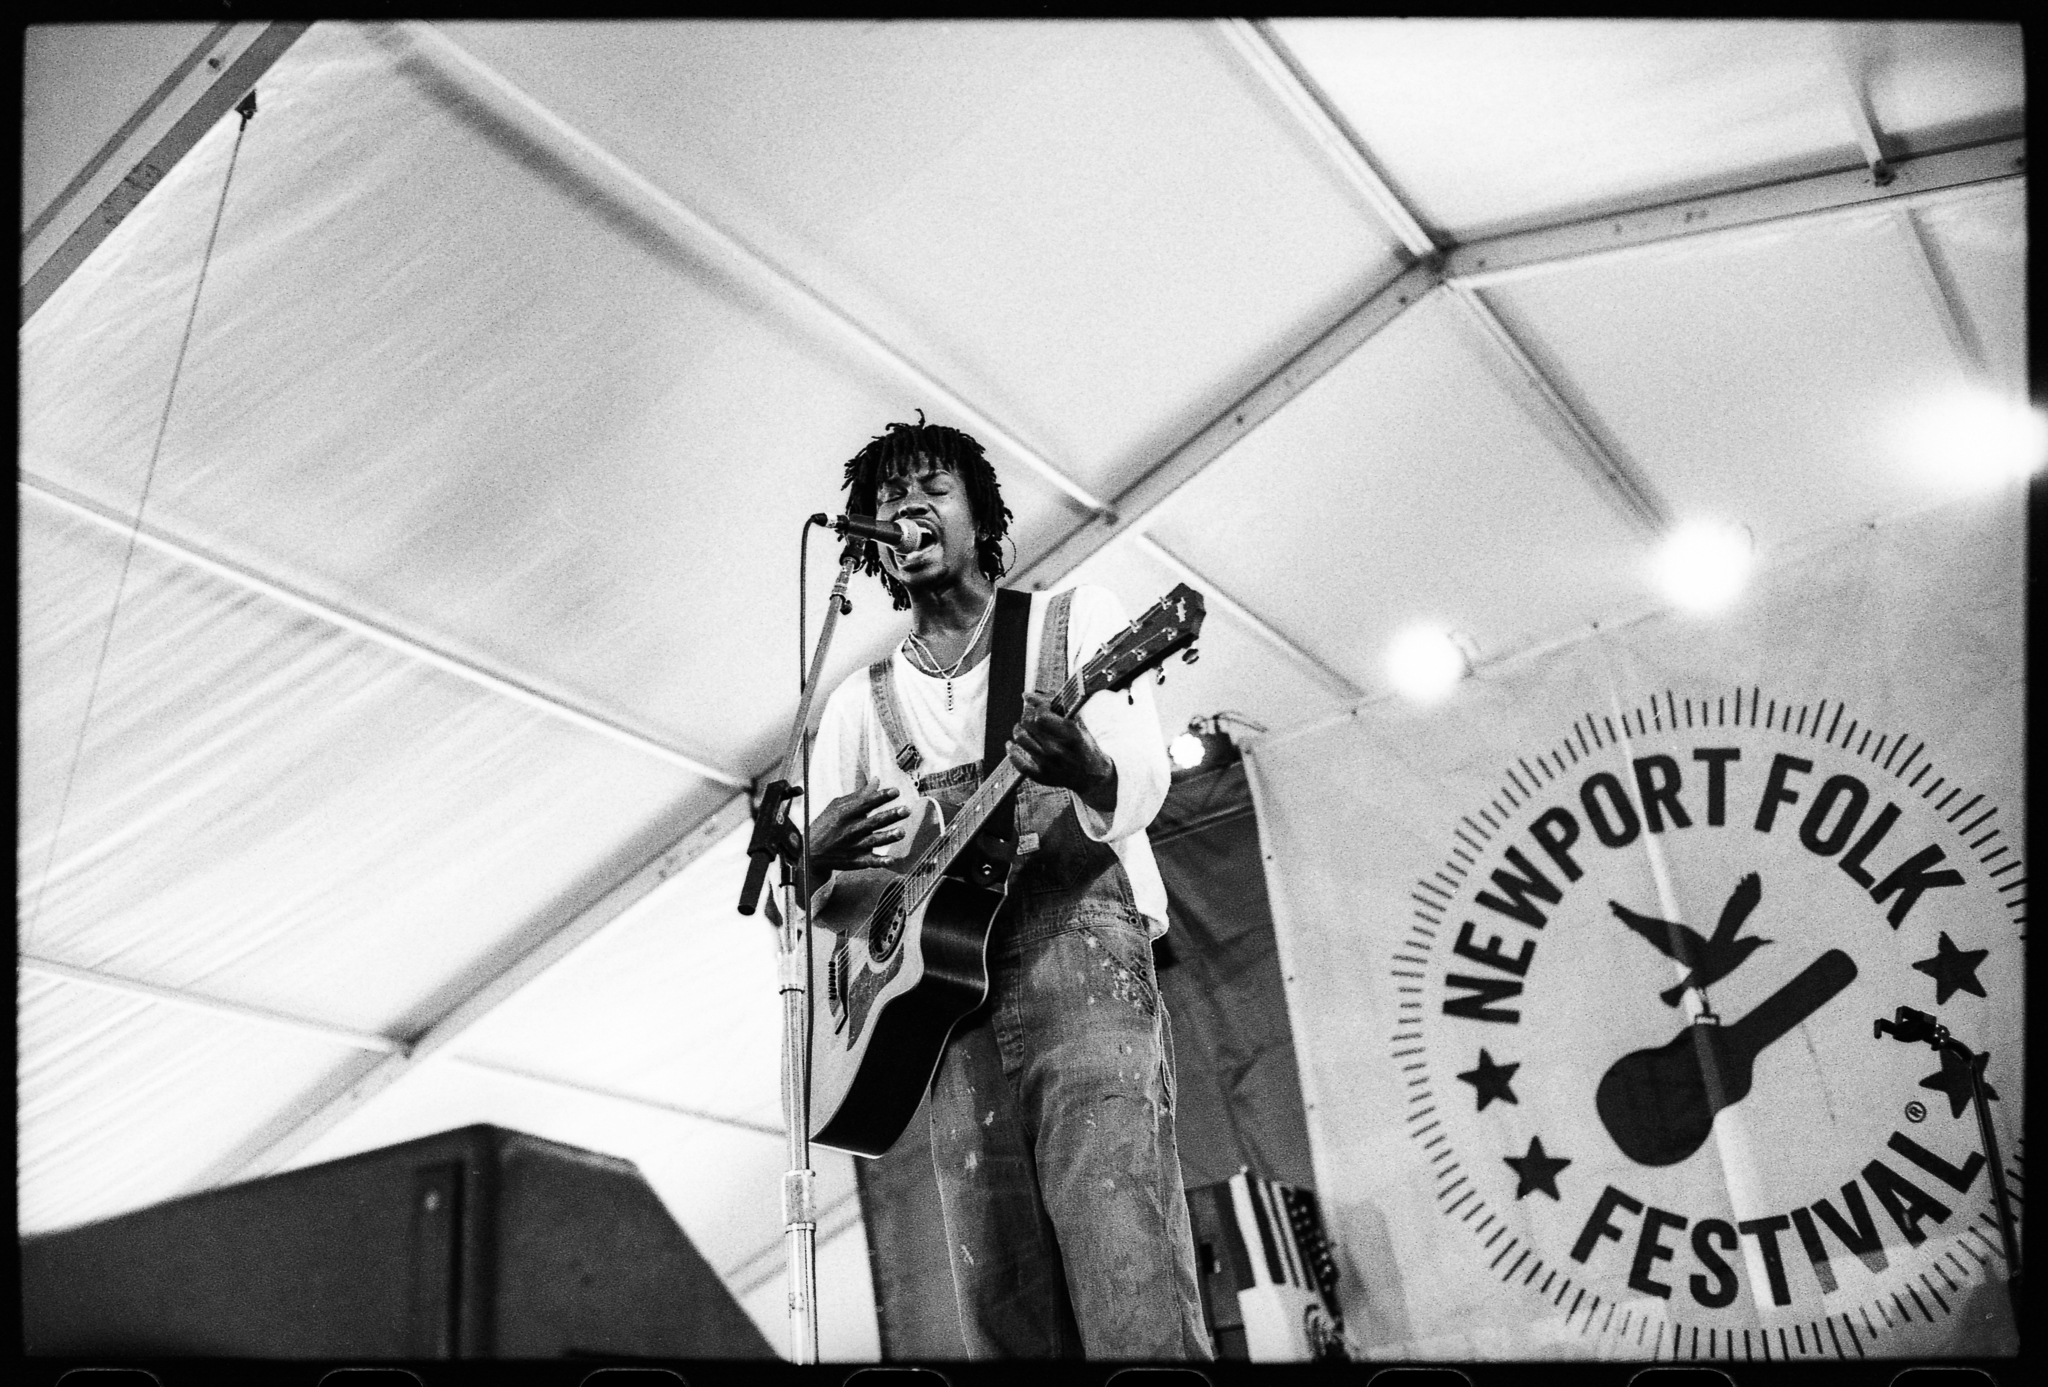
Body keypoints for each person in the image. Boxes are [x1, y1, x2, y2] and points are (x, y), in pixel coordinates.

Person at [801, 414, 1211, 1360]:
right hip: (943, 1013)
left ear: (981, 515)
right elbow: (823, 912)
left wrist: (1088, 767)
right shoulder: (854, 704)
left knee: (1128, 1268)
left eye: (931, 489)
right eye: (885, 501)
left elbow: (1143, 776)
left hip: (1081, 958)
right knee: (1001, 1298)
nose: (906, 508)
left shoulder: (1074, 622)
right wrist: (815, 867)